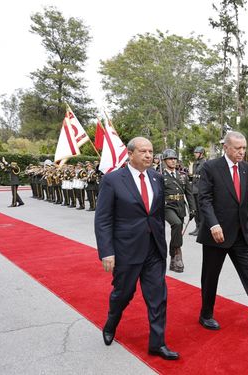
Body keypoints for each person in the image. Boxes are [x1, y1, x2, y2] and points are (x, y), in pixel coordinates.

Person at [94, 137, 179, 360]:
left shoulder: (156, 177)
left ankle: (157, 344)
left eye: (151, 151)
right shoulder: (113, 180)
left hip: (153, 249)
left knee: (158, 296)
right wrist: (107, 251)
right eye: (143, 151)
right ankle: (112, 322)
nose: (149, 155)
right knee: (123, 293)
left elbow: (157, 213)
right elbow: (103, 218)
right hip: (126, 250)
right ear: (131, 154)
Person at [197, 131, 248, 336]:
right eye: (237, 148)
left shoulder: (246, 169)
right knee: (210, 277)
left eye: (244, 148)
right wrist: (213, 224)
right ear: (226, 147)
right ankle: (206, 314)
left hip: (241, 234)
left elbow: (242, 202)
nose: (242, 152)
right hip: (217, 234)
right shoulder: (210, 167)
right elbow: (204, 199)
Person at [162, 149, 196, 273]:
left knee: (177, 230)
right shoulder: (161, 176)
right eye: (170, 159)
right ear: (165, 161)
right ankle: (178, 253)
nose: (173, 161)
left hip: (180, 206)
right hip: (167, 207)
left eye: (174, 159)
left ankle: (172, 258)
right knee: (176, 224)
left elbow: (189, 193)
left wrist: (193, 208)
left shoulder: (182, 176)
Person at [189, 146, 206, 236]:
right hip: (194, 189)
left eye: (196, 153)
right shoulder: (196, 163)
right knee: (195, 210)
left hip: (200, 189)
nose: (195, 154)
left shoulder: (204, 163)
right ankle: (197, 227)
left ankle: (202, 229)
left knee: (200, 210)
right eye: (195, 153)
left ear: (201, 153)